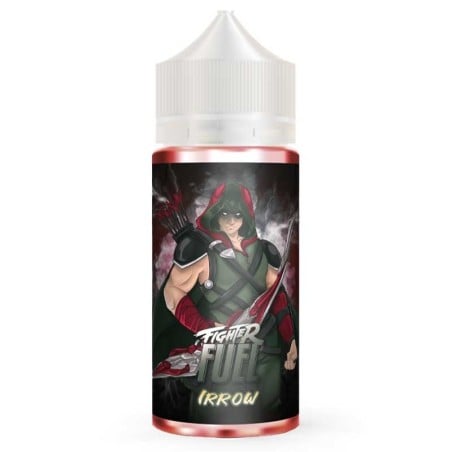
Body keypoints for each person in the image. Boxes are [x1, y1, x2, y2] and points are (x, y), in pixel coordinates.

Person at [153, 182, 297, 423]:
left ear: (246, 216)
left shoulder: (265, 251)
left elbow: (277, 298)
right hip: (218, 350)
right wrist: (204, 327)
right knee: (205, 412)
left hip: (264, 348)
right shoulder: (198, 250)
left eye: (237, 214)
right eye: (225, 213)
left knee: (270, 408)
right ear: (215, 214)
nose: (231, 221)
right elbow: (173, 293)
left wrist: (290, 339)